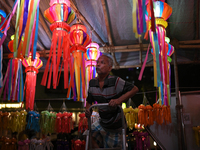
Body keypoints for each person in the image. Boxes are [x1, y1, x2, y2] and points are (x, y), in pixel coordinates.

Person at [85, 54, 139, 148]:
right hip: (102, 122)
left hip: (116, 126)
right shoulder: (92, 83)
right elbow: (89, 101)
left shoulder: (115, 81)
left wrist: (118, 100)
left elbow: (134, 89)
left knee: (111, 147)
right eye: (97, 62)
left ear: (109, 68)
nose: (98, 64)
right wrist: (87, 110)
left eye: (102, 63)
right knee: (87, 135)